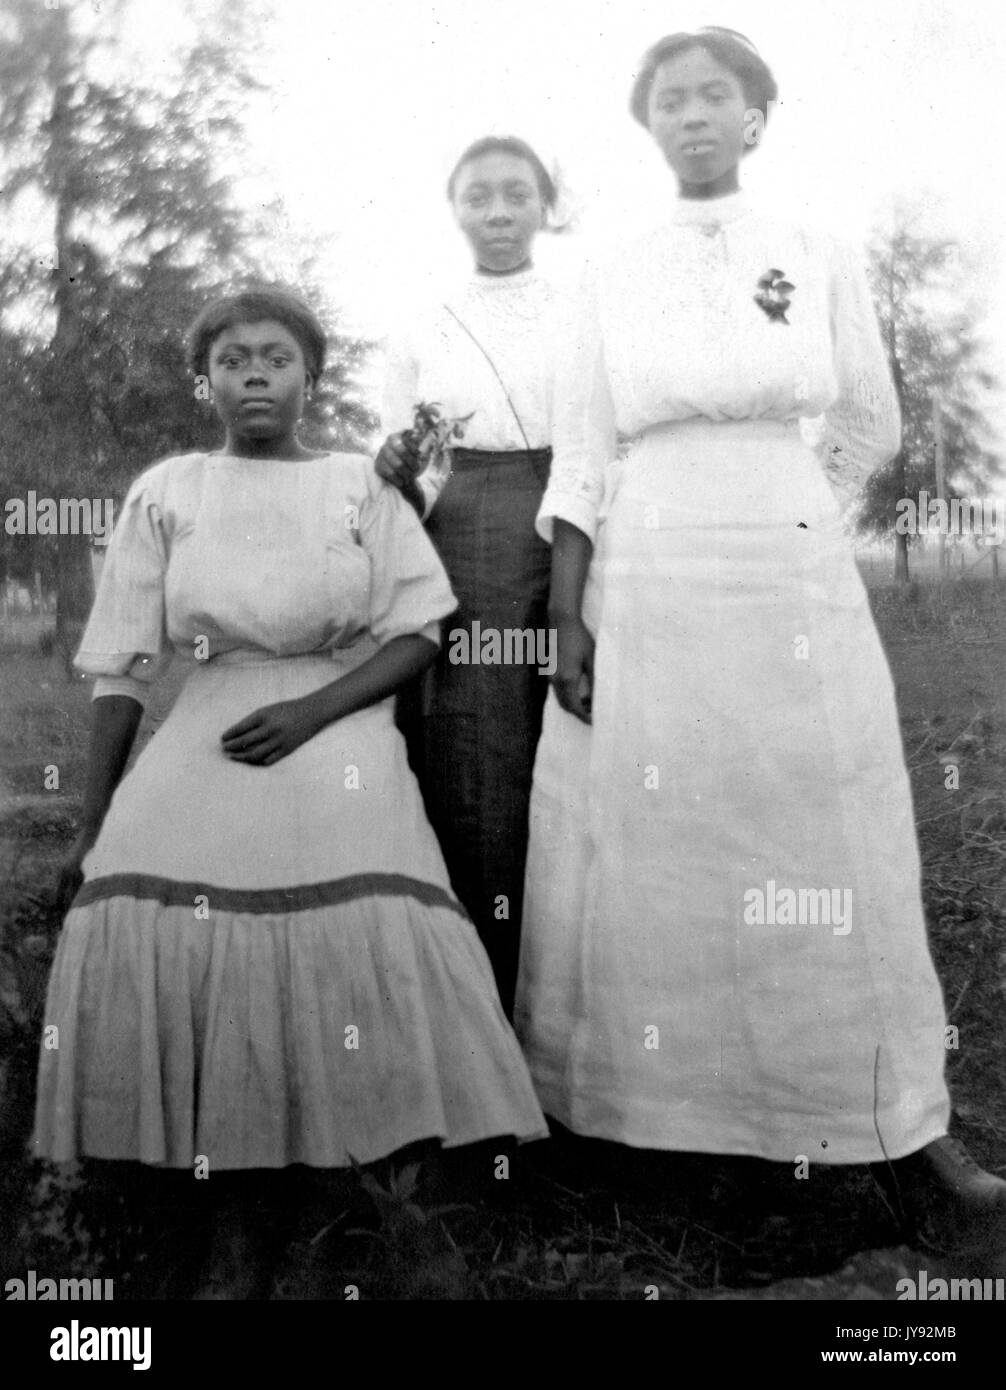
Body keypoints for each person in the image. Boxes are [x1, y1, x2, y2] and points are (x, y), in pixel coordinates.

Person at [516, 28, 1006, 1254]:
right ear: (648, 124)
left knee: (822, 825)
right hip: (650, 564)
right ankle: (671, 1133)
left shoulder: (814, 249)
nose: (691, 116)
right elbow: (581, 449)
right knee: (666, 839)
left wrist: (796, 517)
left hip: (786, 566)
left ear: (755, 115)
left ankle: (896, 1131)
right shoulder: (610, 269)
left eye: (713, 96)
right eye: (669, 100)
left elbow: (868, 420)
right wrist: (568, 613)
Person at [33, 287, 547, 1297]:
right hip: (214, 714)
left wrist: (313, 716)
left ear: (311, 378)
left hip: (340, 717)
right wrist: (93, 826)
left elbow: (416, 632)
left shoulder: (363, 485)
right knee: (145, 893)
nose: (255, 374)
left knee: (368, 901)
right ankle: (230, 1212)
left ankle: (366, 1200)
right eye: (233, 360)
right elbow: (124, 667)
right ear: (205, 382)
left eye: (277, 357)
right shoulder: (168, 489)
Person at [376, 136, 566, 1018]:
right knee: (482, 745)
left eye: (516, 195)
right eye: (479, 196)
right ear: (454, 208)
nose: (498, 212)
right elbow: (410, 454)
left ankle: (574, 999)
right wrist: (397, 463)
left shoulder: (583, 302)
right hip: (474, 520)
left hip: (579, 501)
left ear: (546, 204)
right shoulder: (428, 315)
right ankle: (482, 1001)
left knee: (579, 732)